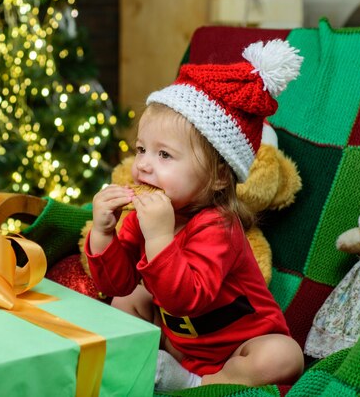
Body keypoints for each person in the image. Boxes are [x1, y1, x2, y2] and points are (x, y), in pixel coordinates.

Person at [85, 39, 305, 392]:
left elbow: (188, 298)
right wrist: (103, 233)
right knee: (129, 299)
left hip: (237, 349)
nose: (142, 164)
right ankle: (135, 362)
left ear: (219, 176)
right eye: (141, 149)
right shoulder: (151, 212)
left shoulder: (220, 226)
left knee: (284, 355)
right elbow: (115, 283)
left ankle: (196, 384)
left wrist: (159, 237)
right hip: (181, 339)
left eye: (164, 155)